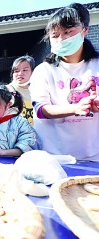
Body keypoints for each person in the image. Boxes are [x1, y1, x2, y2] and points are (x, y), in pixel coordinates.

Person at [30, 3, 99, 161]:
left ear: (85, 30)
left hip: (95, 157)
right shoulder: (43, 71)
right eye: (55, 35)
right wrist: (76, 108)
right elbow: (41, 110)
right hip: (54, 157)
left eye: (68, 32)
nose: (62, 39)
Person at [6, 55, 35, 124]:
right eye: (16, 71)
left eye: (24, 70)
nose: (20, 74)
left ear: (33, 72)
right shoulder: (5, 90)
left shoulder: (39, 90)